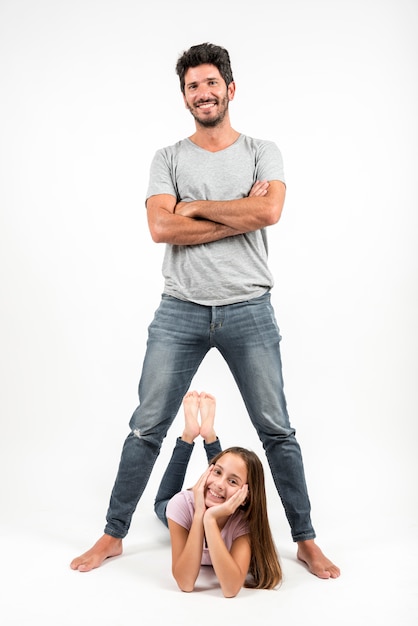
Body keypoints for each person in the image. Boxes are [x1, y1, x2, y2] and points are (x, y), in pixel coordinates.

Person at [70, 42, 340, 579]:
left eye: (211, 83)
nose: (203, 93)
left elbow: (270, 210)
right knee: (146, 426)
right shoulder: (167, 158)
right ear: (185, 97)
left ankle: (306, 539)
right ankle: (112, 534)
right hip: (180, 310)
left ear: (230, 89)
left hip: (249, 308)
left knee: (277, 430)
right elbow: (160, 228)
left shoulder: (264, 151)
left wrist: (193, 206)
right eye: (193, 86)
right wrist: (238, 212)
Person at [154, 390, 282, 597]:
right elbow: (185, 583)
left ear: (247, 495)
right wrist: (198, 515)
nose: (220, 483)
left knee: (224, 480)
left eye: (234, 481)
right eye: (216, 472)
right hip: (187, 507)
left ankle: (210, 438)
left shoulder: (243, 522)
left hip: (212, 504)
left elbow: (231, 589)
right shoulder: (181, 505)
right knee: (162, 503)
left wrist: (210, 519)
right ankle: (190, 436)